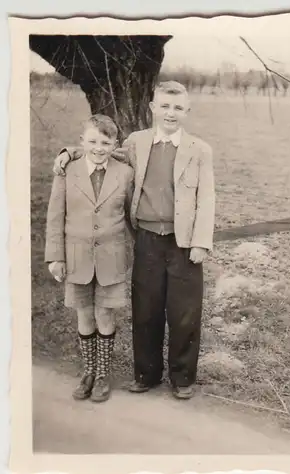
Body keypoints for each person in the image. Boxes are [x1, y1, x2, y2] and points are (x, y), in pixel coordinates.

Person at [53, 81, 215, 400]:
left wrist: (200, 242)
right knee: (146, 308)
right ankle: (146, 374)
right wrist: (68, 152)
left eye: (178, 108)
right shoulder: (137, 142)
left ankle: (182, 378)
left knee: (184, 312)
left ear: (187, 111)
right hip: (147, 239)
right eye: (165, 106)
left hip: (183, 243)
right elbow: (101, 152)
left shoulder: (200, 150)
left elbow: (207, 198)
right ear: (153, 108)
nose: (171, 113)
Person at [45, 114, 135, 403]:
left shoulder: (125, 173)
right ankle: (88, 372)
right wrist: (55, 257)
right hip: (76, 257)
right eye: (93, 141)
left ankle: (103, 375)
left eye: (106, 142)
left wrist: (134, 252)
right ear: (81, 141)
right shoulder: (67, 170)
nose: (99, 148)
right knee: (84, 314)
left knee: (105, 315)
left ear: (115, 144)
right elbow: (55, 216)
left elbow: (132, 216)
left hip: (112, 257)